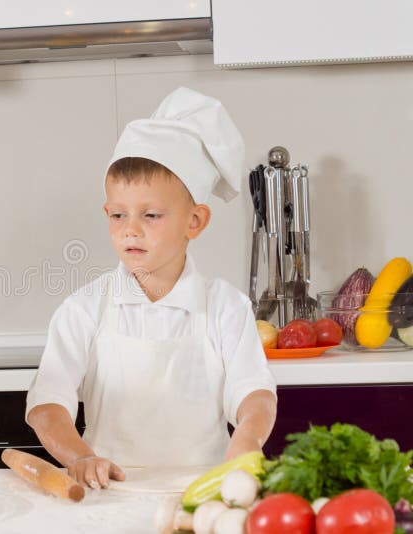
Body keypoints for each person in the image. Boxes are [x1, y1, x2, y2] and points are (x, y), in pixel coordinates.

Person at [26, 87, 277, 489]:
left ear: (194, 221)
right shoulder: (86, 307)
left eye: (152, 215)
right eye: (118, 215)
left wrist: (247, 437)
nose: (131, 229)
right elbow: (47, 403)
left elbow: (254, 391)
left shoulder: (226, 306)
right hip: (106, 496)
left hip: (204, 494)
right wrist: (81, 457)